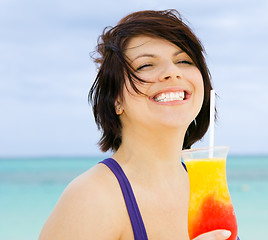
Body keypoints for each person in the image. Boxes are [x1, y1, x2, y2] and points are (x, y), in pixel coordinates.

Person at [39, 9, 235, 240]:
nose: (172, 73)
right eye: (145, 65)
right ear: (116, 100)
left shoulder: (204, 188)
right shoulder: (92, 197)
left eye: (183, 61)